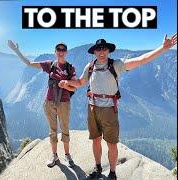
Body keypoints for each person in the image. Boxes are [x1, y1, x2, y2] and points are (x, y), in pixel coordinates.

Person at [58, 33, 177, 180]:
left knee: (111, 143)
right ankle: (97, 167)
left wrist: (162, 48)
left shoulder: (116, 65)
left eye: (104, 49)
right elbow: (81, 82)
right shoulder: (90, 67)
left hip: (109, 109)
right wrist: (67, 83)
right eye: (98, 49)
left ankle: (112, 173)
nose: (101, 52)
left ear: (108, 51)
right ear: (94, 52)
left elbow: (141, 60)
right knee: (95, 140)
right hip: (92, 107)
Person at [8, 40, 77, 168]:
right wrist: (16, 51)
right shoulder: (49, 65)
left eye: (63, 50)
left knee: (65, 129)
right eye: (59, 50)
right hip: (49, 102)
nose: (61, 52)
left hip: (64, 102)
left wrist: (66, 84)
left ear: (66, 52)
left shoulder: (70, 68)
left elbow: (74, 87)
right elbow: (29, 63)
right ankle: (54, 155)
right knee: (53, 130)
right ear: (55, 52)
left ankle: (67, 156)